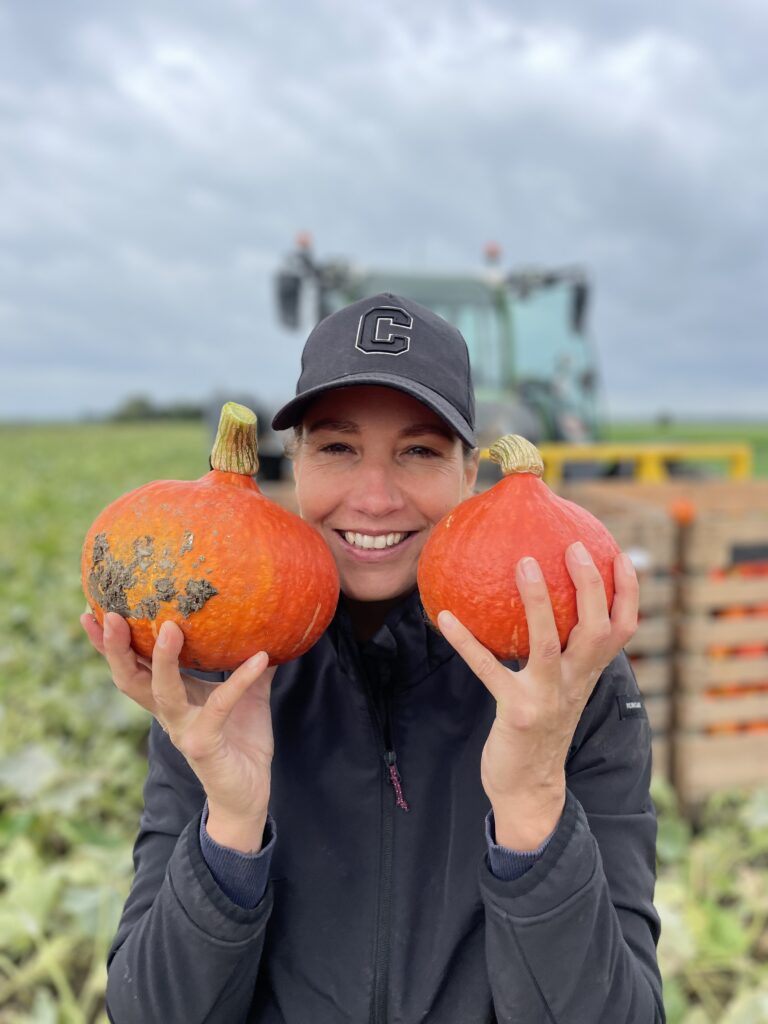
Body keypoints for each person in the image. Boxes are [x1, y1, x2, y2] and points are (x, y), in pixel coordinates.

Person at [81, 294, 664, 1024]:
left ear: (471, 474)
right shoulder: (217, 674)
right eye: (337, 448)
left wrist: (532, 805)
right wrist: (230, 821)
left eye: (418, 451)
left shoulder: (572, 685)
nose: (376, 497)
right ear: (294, 465)